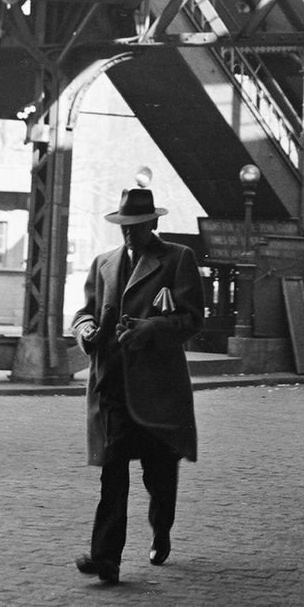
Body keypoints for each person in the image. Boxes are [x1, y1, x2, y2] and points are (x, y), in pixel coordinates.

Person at [71, 183, 204, 584]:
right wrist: (87, 331)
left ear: (152, 222)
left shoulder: (177, 259)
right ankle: (106, 558)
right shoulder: (103, 263)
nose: (129, 232)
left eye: (137, 225)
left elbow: (192, 319)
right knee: (112, 474)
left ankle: (161, 527)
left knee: (158, 475)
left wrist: (152, 329)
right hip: (111, 385)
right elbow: (81, 313)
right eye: (124, 225)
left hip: (156, 392)